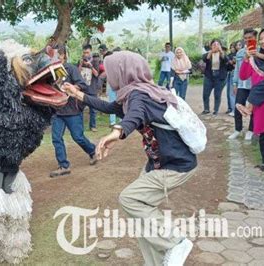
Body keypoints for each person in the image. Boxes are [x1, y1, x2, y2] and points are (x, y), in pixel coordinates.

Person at [63, 51, 197, 265]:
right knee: (142, 216)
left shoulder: (139, 96)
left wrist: (117, 133)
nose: (108, 76)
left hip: (175, 166)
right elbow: (109, 107)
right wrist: (77, 94)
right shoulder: (138, 92)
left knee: (130, 199)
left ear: (123, 72)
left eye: (112, 71)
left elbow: (134, 117)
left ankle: (175, 242)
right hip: (158, 164)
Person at [50, 45, 97, 177]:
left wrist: (71, 87)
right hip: (57, 111)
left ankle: (93, 151)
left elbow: (82, 84)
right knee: (56, 138)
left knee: (78, 137)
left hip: (72, 110)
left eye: (59, 54)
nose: (56, 57)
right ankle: (63, 166)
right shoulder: (51, 71)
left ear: (64, 55)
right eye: (53, 55)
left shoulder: (70, 68)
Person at [237, 28, 264, 171]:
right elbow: (243, 76)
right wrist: (246, 59)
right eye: (261, 38)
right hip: (260, 101)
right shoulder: (253, 58)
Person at [228, 29, 257, 141]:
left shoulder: (258, 51)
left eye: (250, 38)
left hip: (254, 85)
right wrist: (235, 83)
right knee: (238, 107)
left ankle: (250, 130)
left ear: (255, 38)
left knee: (253, 109)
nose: (247, 40)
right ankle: (238, 130)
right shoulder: (240, 53)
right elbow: (237, 70)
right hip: (241, 85)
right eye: (245, 38)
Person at [202, 39, 229, 115]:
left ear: (220, 46)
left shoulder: (223, 54)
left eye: (218, 44)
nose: (216, 46)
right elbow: (204, 59)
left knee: (217, 94)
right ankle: (206, 109)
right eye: (214, 44)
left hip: (220, 77)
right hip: (209, 76)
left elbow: (226, 60)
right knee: (205, 94)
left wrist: (221, 51)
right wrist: (211, 52)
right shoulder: (208, 53)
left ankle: (215, 110)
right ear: (211, 46)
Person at [78, 44, 100, 132]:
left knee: (93, 109)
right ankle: (80, 127)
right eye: (84, 53)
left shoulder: (95, 61)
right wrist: (80, 64)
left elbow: (96, 74)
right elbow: (77, 73)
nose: (85, 54)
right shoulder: (81, 60)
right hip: (83, 88)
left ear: (90, 51)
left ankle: (93, 126)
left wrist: (90, 65)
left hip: (92, 89)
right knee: (80, 108)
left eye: (87, 52)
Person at [226, 43, 237, 115]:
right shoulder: (229, 55)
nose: (232, 48)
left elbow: (235, 64)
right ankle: (230, 108)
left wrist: (232, 62)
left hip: (234, 73)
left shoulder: (237, 54)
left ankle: (234, 110)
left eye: (233, 47)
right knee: (228, 92)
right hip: (229, 73)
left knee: (232, 93)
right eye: (231, 47)